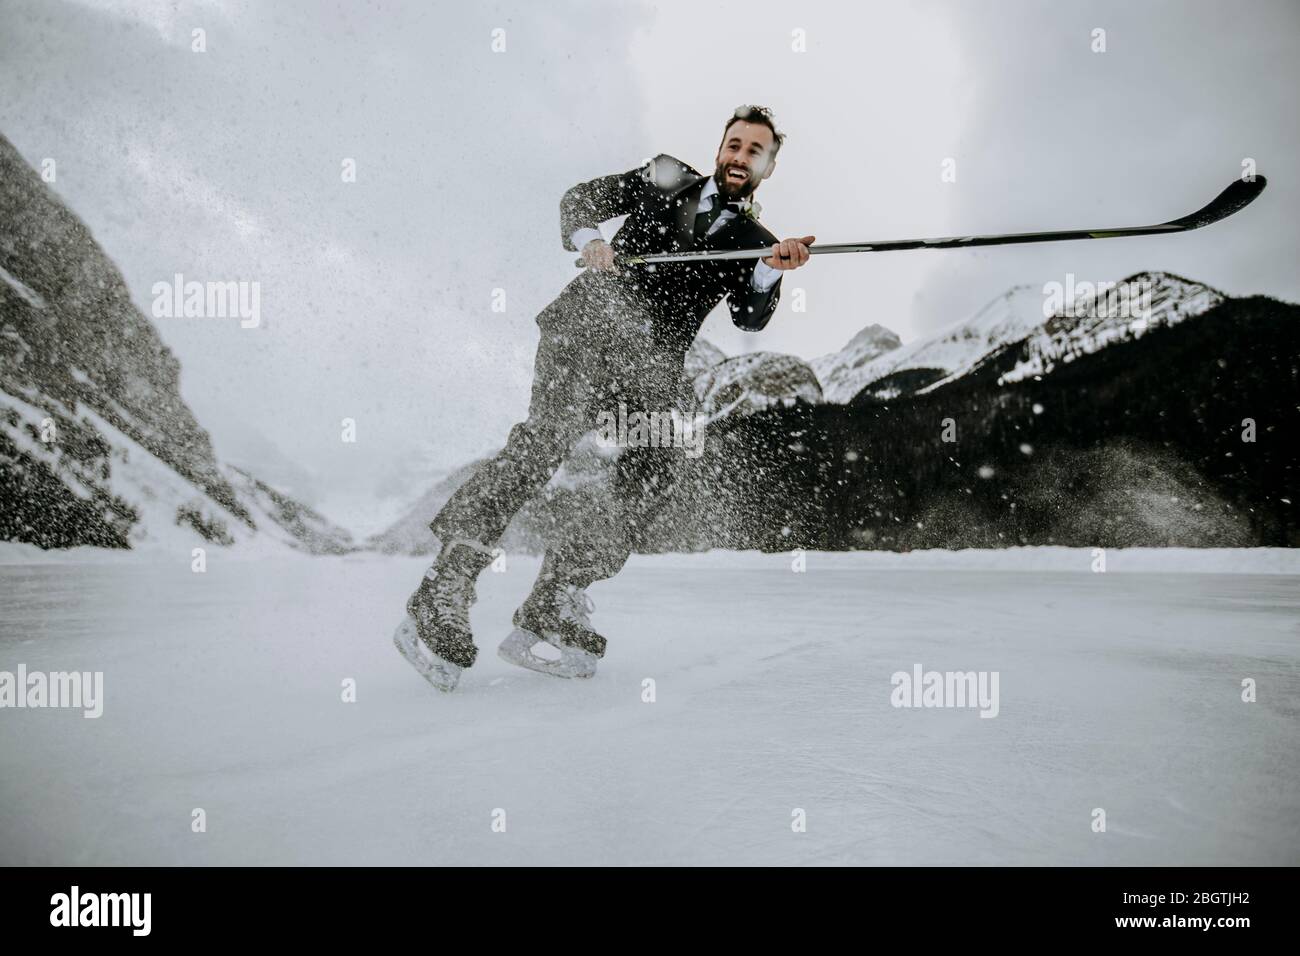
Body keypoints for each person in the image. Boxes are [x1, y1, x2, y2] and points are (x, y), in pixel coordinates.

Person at [394, 105, 814, 691]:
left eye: (755, 151)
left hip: (651, 369)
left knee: (659, 461)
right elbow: (579, 200)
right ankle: (446, 584)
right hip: (588, 329)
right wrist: (592, 241)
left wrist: (769, 271)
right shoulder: (666, 175)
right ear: (720, 148)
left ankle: (557, 594)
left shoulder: (757, 243)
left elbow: (749, 317)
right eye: (735, 145)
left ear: (769, 166)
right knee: (543, 444)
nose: (741, 157)